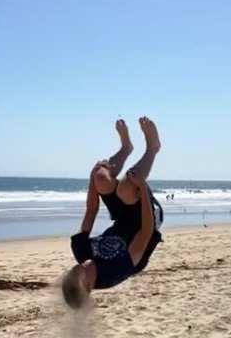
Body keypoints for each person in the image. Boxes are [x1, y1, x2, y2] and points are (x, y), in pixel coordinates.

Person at [62, 118, 163, 308]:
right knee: (127, 186)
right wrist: (141, 186)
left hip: (122, 218)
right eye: (81, 273)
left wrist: (93, 178)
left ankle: (126, 148)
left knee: (101, 177)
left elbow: (91, 210)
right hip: (146, 221)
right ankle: (153, 148)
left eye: (74, 270)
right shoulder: (115, 271)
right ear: (90, 286)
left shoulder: (81, 251)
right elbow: (146, 232)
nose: (81, 266)